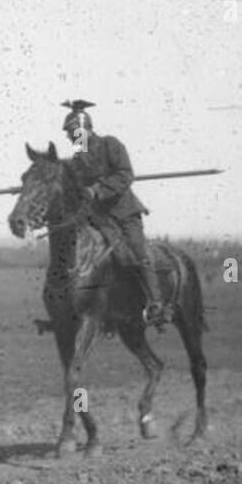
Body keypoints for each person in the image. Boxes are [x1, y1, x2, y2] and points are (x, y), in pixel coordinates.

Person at [62, 99, 172, 328]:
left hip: (124, 214)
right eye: (69, 135)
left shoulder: (110, 145)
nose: (69, 139)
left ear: (83, 130)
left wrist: (97, 189)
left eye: (72, 134)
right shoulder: (77, 160)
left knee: (137, 253)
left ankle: (157, 305)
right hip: (99, 218)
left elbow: (125, 175)